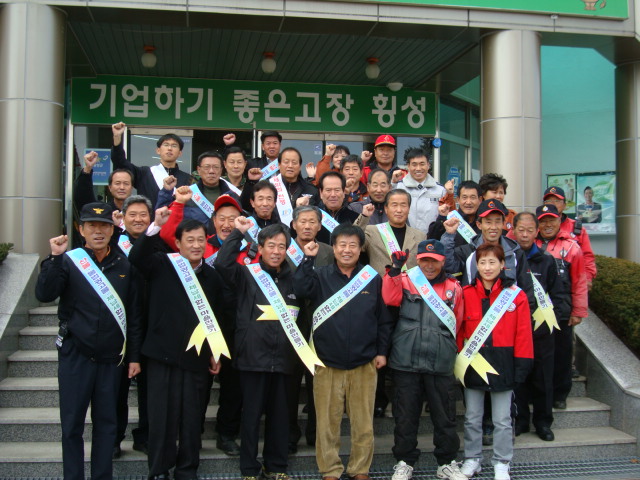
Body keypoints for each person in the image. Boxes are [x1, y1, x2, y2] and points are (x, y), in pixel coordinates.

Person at [35, 202, 143, 480]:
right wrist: (54, 257)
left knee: (107, 424)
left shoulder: (124, 265)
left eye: (104, 226)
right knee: (72, 424)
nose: (98, 231)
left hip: (111, 358)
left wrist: (133, 356)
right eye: (91, 226)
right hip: (76, 355)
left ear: (113, 230)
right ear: (80, 229)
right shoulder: (69, 261)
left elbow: (134, 315)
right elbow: (45, 294)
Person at [129, 215, 229, 480]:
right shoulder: (162, 264)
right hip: (161, 356)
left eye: (200, 240)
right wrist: (155, 227)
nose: (196, 245)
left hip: (196, 359)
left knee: (192, 418)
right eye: (190, 240)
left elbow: (217, 317)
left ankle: (187, 469)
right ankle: (159, 470)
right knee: (161, 418)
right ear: (177, 243)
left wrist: (215, 352)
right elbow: (136, 258)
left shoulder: (212, 277)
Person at [293, 223, 392, 480]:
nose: (347, 250)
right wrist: (308, 259)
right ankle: (330, 469)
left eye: (353, 245)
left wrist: (381, 351)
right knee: (327, 423)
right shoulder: (320, 275)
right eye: (342, 245)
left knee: (363, 423)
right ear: (334, 248)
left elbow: (383, 320)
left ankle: (360, 469)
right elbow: (300, 289)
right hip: (326, 362)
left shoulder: (371, 278)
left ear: (360, 249)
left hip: (364, 363)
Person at [216, 220, 313, 480]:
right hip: (252, 359)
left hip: (284, 361)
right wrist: (237, 232)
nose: (276, 251)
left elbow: (307, 292)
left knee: (280, 418)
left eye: (281, 246)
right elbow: (222, 264)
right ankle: (249, 469)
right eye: (271, 245)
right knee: (250, 418)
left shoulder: (294, 279)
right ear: (260, 248)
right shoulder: (246, 275)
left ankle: (276, 467)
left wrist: (308, 260)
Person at [382, 240, 466, 480]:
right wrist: (394, 269)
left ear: (443, 261)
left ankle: (446, 462)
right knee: (405, 416)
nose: (429, 266)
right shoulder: (405, 280)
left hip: (440, 361)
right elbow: (389, 298)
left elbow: (458, 322)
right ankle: (404, 462)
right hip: (406, 359)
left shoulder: (454, 287)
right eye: (425, 261)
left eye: (434, 261)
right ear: (417, 261)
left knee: (445, 416)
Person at [457, 243, 533, 480]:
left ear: (502, 265)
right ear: (476, 266)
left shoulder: (516, 295)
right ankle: (472, 459)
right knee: (472, 417)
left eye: (492, 262)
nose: (487, 267)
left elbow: (523, 333)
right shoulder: (465, 293)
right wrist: (459, 360)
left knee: (502, 419)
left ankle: (502, 462)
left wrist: (522, 364)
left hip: (504, 362)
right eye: (482, 262)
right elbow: (459, 331)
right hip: (474, 363)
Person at [362, 189, 425, 418]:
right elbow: (354, 240)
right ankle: (378, 400)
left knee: (405, 353)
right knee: (379, 351)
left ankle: (404, 402)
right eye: (394, 205)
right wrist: (364, 217)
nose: (399, 209)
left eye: (403, 205)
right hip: (380, 301)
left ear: (409, 208)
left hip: (410, 301)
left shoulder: (419, 235)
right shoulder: (372, 231)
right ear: (386, 208)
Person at [285, 206, 334, 454]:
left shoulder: (329, 251)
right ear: (293, 224)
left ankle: (316, 434)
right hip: (290, 324)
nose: (307, 226)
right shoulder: (283, 248)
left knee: (318, 384)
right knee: (290, 384)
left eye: (312, 221)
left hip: (320, 323)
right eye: (302, 221)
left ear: (319, 226)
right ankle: (289, 435)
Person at [512, 211, 562, 442]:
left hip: (542, 330)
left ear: (537, 232)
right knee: (519, 377)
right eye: (521, 230)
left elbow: (559, 294)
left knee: (543, 378)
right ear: (513, 230)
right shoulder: (508, 258)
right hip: (516, 330)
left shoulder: (547, 260)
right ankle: (520, 420)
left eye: (530, 230)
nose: (525, 235)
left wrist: (554, 320)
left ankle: (543, 423)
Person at [535, 203, 588, 410]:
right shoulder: (530, 244)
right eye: (543, 221)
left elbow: (580, 281)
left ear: (559, 221)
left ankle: (560, 394)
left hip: (562, 310)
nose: (547, 225)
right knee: (538, 355)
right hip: (536, 312)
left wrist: (578, 311)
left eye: (552, 220)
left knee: (562, 354)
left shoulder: (572, 247)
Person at [110, 122, 192, 208]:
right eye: (166, 145)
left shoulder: (187, 179)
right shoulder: (144, 173)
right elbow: (120, 162)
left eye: (174, 146)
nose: (169, 148)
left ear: (180, 153)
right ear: (158, 150)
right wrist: (117, 136)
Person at [156, 151, 232, 225]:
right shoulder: (186, 194)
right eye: (207, 167)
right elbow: (162, 216)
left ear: (221, 170)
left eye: (216, 167)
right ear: (199, 170)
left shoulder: (232, 196)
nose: (211, 171)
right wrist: (167, 191)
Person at [543, 186, 597, 289]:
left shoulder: (576, 228)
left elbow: (587, 256)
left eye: (557, 201)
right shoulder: (536, 226)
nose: (552, 204)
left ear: (564, 205)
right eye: (548, 201)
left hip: (570, 284)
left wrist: (587, 278)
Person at [394, 148, 447, 235]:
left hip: (432, 239)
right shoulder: (399, 187)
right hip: (404, 238)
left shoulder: (440, 190)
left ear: (428, 165)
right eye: (414, 164)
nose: (418, 168)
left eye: (422, 164)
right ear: (408, 166)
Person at [314, 171, 370, 244]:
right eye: (328, 190)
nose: (333, 194)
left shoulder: (355, 218)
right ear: (321, 193)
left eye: (337, 190)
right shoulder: (313, 217)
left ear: (344, 193)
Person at [428, 180, 482, 247]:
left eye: (472, 197)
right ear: (458, 199)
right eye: (464, 197)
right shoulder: (449, 220)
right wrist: (441, 218)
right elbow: (432, 242)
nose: (468, 202)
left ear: (480, 200)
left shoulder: (484, 222)